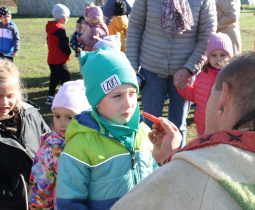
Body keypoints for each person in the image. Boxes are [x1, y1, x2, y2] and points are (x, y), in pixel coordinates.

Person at [112, 50, 255, 209]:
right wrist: (175, 158)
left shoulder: (188, 174)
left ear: (223, 96)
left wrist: (178, 166)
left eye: (212, 92)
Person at [56, 47, 179, 209]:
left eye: (132, 93)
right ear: (96, 101)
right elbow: (69, 202)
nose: (128, 103)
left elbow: (159, 186)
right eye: (117, 96)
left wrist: (165, 157)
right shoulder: (80, 145)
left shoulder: (144, 133)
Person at [126, 0, 217, 148]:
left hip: (184, 72)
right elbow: (135, 28)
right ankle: (150, 165)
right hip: (151, 69)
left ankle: (176, 164)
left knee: (178, 126)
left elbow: (207, 36)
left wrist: (188, 69)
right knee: (149, 124)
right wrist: (133, 69)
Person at [29, 80, 91, 210]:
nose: (62, 123)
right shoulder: (50, 149)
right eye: (57, 116)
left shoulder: (93, 142)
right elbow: (42, 187)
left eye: (69, 117)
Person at [0, 60, 50, 209]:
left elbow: (49, 144)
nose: (4, 102)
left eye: (10, 95)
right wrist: (7, 194)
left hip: (40, 199)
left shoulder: (31, 115)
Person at [177, 32, 233, 136]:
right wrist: (182, 86)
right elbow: (194, 96)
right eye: (214, 55)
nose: (218, 59)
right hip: (202, 127)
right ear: (208, 57)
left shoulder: (233, 77)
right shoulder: (202, 76)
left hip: (223, 129)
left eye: (223, 55)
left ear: (230, 57)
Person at [45, 4, 71, 106]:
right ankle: (66, 97)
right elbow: (63, 44)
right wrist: (68, 51)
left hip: (51, 58)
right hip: (59, 59)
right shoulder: (60, 29)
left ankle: (50, 96)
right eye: (67, 17)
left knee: (54, 78)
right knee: (65, 78)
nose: (68, 19)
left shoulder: (50, 27)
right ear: (62, 17)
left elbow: (48, 41)